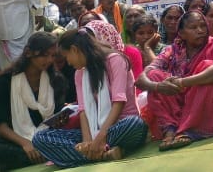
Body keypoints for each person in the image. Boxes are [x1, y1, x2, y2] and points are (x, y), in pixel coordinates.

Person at [32, 28, 147, 167]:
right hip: (93, 132)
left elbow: (119, 102)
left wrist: (100, 139)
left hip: (118, 128)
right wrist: (87, 142)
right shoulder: (79, 74)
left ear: (74, 50)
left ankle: (88, 155)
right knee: (40, 138)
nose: (68, 62)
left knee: (135, 123)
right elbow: (83, 111)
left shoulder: (116, 60)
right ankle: (103, 154)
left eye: (67, 56)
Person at [136, 10, 213, 150]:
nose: (200, 31)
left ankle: (191, 130)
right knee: (155, 75)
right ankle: (170, 130)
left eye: (203, 26)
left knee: (208, 66)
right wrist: (158, 86)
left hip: (206, 97)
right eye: (193, 27)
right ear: (181, 33)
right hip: (180, 97)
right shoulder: (173, 50)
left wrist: (183, 82)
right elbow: (141, 78)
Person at [0, 33, 65, 170]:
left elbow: (58, 119)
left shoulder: (56, 80)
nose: (50, 60)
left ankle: (40, 154)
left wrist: (54, 129)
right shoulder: (5, 81)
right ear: (28, 53)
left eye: (53, 55)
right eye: (44, 55)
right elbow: (1, 126)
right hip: (17, 141)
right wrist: (26, 144)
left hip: (49, 139)